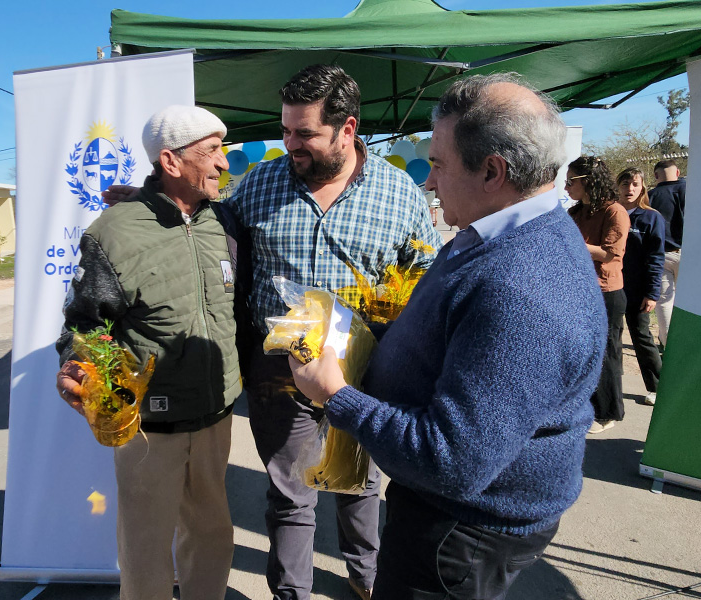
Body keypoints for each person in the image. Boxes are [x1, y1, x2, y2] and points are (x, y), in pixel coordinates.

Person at [288, 72, 606, 600]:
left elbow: (450, 463)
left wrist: (334, 396)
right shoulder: (496, 232)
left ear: (492, 171)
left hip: (460, 533)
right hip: (450, 514)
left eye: (437, 164)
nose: (429, 182)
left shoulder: (522, 289)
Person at [227, 64, 444, 600]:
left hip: (365, 368)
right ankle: (292, 593)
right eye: (285, 131)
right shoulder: (259, 184)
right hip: (280, 369)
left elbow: (425, 276)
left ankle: (367, 578)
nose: (290, 144)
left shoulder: (399, 193)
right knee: (289, 490)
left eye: (305, 134)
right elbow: (214, 234)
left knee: (360, 484)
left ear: (347, 129)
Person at [55, 105, 240, 600]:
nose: (223, 163)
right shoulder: (112, 233)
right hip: (149, 429)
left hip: (216, 413)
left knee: (213, 538)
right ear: (171, 162)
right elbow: (86, 327)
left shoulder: (220, 219)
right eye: (212, 152)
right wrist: (78, 370)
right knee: (144, 550)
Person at [566, 156, 629, 434]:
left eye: (571, 182)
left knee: (606, 353)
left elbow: (610, 253)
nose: (566, 187)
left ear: (588, 181)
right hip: (578, 291)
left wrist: (571, 242)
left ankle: (608, 412)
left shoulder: (615, 211)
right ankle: (586, 404)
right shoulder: (576, 212)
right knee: (583, 353)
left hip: (606, 292)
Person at [616, 167, 665, 406]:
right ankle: (610, 389)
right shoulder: (610, 213)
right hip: (611, 287)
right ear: (618, 187)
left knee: (642, 336)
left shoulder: (651, 217)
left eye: (635, 184)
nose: (630, 189)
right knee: (609, 339)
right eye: (625, 184)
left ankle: (658, 387)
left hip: (637, 290)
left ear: (643, 187)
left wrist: (652, 293)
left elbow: (656, 258)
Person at [649, 159, 686, 350]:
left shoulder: (650, 196)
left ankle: (669, 345)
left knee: (664, 303)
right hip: (691, 254)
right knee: (690, 303)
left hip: (662, 255)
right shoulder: (693, 190)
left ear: (656, 175)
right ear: (678, 172)